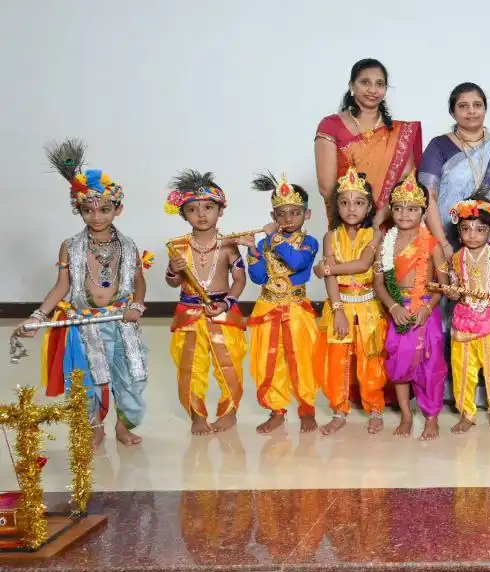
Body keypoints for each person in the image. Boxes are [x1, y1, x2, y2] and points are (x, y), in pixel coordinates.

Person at [24, 140, 150, 450]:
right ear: (78, 210)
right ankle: (95, 427)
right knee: (87, 380)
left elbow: (139, 280)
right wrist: (38, 316)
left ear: (117, 209)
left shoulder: (128, 245)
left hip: (122, 322)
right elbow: (61, 286)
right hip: (85, 325)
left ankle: (123, 426)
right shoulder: (71, 246)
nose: (96, 217)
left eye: (104, 209)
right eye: (88, 210)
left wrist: (136, 304)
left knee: (131, 377)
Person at [419, 82, 490, 380]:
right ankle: (456, 378)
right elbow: (428, 196)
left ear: (485, 108)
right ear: (453, 111)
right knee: (455, 301)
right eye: (463, 106)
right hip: (453, 237)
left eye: (477, 105)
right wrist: (442, 242)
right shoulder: (439, 146)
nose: (471, 111)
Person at [162, 170, 247, 436]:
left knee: (229, 364)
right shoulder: (178, 246)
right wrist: (174, 270)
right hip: (189, 313)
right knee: (190, 366)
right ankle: (197, 415)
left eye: (208, 207)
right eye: (192, 209)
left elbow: (240, 279)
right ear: (183, 214)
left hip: (222, 311)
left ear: (220, 210)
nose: (201, 215)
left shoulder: (229, 245)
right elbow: (172, 282)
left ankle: (229, 411)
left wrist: (228, 303)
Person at [244, 172, 321, 436]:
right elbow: (259, 278)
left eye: (295, 213)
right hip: (267, 308)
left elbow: (297, 263)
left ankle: (307, 408)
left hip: (296, 309)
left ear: (307, 215)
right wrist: (252, 251)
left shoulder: (309, 242)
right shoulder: (265, 243)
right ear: (273, 216)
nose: (288, 219)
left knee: (301, 358)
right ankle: (276, 410)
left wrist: (275, 239)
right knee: (269, 360)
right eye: (281, 214)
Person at [374, 174, 448, 440]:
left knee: (431, 364)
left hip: (425, 309)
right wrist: (393, 307)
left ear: (423, 212)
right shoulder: (386, 244)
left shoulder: (432, 244)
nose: (404, 214)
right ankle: (406, 415)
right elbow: (378, 283)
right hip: (399, 310)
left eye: (412, 209)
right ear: (391, 211)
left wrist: (427, 309)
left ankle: (431, 417)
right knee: (399, 362)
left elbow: (443, 285)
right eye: (398, 208)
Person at [313, 167, 386, 437]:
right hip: (339, 304)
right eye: (344, 202)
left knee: (371, 358)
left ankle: (374, 409)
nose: (351, 208)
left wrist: (327, 268)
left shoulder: (375, 235)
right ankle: (338, 410)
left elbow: (363, 264)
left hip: (368, 307)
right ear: (337, 206)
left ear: (369, 207)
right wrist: (337, 310)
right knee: (337, 360)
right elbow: (330, 280)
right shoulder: (330, 237)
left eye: (358, 202)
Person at [315, 58, 423, 228]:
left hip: (390, 222)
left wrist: (379, 218)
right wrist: (351, 217)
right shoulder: (331, 125)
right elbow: (326, 187)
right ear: (352, 85)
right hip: (348, 222)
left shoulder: (400, 132)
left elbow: (405, 179)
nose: (373, 90)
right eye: (365, 82)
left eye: (380, 84)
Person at [445, 196, 490, 435]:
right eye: (466, 229)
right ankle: (466, 414)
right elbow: (454, 288)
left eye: (480, 229)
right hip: (464, 320)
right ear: (458, 232)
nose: (472, 235)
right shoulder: (455, 260)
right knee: (462, 368)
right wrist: (453, 293)